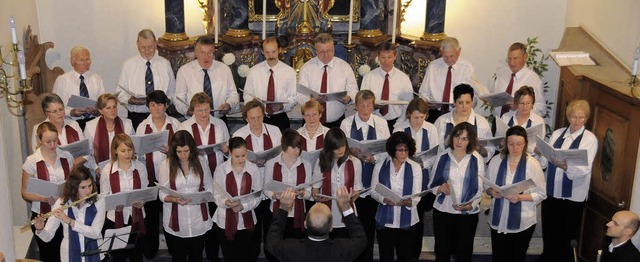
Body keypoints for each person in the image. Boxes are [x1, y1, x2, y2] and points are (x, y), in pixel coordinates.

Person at [538, 100, 598, 262]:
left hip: (572, 196)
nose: (577, 121)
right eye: (573, 117)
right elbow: (545, 163)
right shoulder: (558, 134)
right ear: (568, 116)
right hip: (552, 191)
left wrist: (565, 167)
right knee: (549, 231)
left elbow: (585, 168)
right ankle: (548, 257)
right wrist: (542, 154)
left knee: (566, 236)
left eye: (581, 118)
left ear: (586, 118)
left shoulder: (589, 139)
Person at [340, 89, 390, 262]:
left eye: (369, 105)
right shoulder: (346, 124)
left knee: (368, 226)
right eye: (362, 105)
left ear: (373, 105)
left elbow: (387, 150)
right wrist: (352, 153)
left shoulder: (381, 123)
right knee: (352, 225)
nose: (365, 108)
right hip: (351, 181)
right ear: (355, 106)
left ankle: (366, 257)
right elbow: (340, 150)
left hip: (372, 179)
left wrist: (373, 157)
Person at [178, 92, 228, 262]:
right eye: (199, 110)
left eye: (206, 109)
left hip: (217, 176)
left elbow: (228, 151)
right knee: (199, 218)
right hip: (194, 180)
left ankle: (213, 255)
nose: (204, 114)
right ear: (192, 110)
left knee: (214, 218)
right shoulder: (184, 127)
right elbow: (179, 154)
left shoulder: (220, 124)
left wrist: (225, 150)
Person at [485, 126, 546, 262]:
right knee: (499, 256)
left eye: (519, 144)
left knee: (516, 257)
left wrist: (520, 197)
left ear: (525, 144)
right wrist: (492, 192)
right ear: (506, 143)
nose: (515, 148)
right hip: (498, 218)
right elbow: (486, 186)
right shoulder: (496, 161)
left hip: (523, 221)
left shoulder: (532, 164)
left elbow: (541, 194)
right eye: (511, 144)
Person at [232, 99, 282, 261]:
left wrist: (268, 160)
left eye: (259, 117)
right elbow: (233, 161)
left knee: (271, 226)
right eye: (252, 118)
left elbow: (281, 156)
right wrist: (250, 161)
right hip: (249, 186)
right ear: (246, 118)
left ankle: (271, 255)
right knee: (251, 227)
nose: (256, 121)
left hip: (270, 184)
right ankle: (251, 256)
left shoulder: (274, 131)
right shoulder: (239, 135)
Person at [428, 122, 484, 262]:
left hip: (467, 214)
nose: (459, 141)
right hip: (443, 211)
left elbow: (480, 187)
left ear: (470, 141)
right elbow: (431, 185)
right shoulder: (442, 156)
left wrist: (471, 205)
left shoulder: (476, 158)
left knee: (463, 254)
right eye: (457, 136)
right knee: (442, 252)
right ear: (452, 137)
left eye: (464, 138)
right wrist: (440, 188)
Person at [392, 97, 441, 257]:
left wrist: (422, 164)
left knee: (418, 217)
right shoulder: (400, 128)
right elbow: (392, 152)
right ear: (408, 115)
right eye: (415, 117)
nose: (418, 121)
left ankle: (414, 254)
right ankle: (402, 252)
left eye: (422, 117)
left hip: (423, 177)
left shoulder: (431, 129)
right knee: (402, 214)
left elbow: (435, 154)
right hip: (402, 177)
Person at [265, 186, 367, 262]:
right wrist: (346, 207)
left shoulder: (291, 249)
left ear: (305, 224)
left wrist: (283, 208)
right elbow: (361, 239)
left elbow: (271, 241)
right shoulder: (341, 249)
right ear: (331, 227)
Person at [135, 90, 180, 259]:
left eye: (160, 104)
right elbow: (137, 154)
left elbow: (184, 150)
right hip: (149, 177)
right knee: (151, 217)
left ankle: (175, 249)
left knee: (170, 215)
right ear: (148, 107)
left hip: (171, 178)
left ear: (166, 105)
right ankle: (150, 251)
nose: (157, 108)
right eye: (153, 105)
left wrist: (172, 151)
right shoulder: (142, 126)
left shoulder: (175, 124)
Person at [22, 122, 75, 262]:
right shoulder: (32, 161)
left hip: (63, 211)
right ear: (39, 140)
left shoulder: (66, 156)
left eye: (55, 140)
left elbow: (72, 183)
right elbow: (24, 193)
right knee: (48, 254)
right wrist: (45, 199)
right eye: (48, 141)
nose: (52, 145)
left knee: (65, 252)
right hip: (42, 213)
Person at [158, 130, 214, 262]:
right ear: (173, 150)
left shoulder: (201, 162)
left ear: (192, 149)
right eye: (179, 152)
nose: (183, 155)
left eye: (186, 151)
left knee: (197, 256)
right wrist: (173, 199)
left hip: (198, 218)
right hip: (177, 219)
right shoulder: (165, 165)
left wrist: (205, 196)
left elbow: (210, 186)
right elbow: (162, 193)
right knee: (178, 257)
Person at [34, 165, 105, 262]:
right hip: (69, 256)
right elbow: (47, 237)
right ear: (74, 187)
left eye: (90, 185)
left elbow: (95, 233)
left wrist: (70, 221)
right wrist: (40, 228)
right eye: (83, 187)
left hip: (95, 254)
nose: (88, 191)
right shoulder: (61, 203)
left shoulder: (99, 200)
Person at [370, 132, 422, 262]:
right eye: (400, 150)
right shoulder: (380, 166)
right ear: (393, 150)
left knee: (405, 257)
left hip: (408, 221)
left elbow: (417, 193)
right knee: (385, 256)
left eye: (406, 150)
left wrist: (410, 202)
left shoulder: (415, 167)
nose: (404, 153)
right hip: (386, 220)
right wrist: (383, 199)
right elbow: (373, 191)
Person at [212, 137, 263, 262]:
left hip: (246, 219)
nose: (241, 160)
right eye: (237, 156)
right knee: (229, 255)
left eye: (243, 155)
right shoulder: (221, 169)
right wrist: (226, 202)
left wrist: (243, 206)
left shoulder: (253, 169)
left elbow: (258, 195)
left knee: (245, 255)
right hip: (224, 219)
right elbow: (216, 194)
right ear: (230, 153)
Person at [100, 133, 148, 262]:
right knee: (117, 256)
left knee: (136, 254)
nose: (127, 154)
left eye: (130, 150)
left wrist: (142, 202)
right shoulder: (107, 170)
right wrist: (113, 205)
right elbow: (104, 196)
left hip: (136, 216)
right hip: (115, 218)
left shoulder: (140, 167)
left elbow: (144, 191)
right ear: (115, 151)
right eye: (123, 151)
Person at [117, 29, 176, 131]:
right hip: (137, 116)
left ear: (156, 44)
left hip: (161, 116)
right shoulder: (128, 65)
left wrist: (165, 101)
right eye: (143, 48)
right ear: (137, 45)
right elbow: (120, 92)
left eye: (150, 47)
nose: (147, 51)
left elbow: (172, 90)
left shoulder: (164, 64)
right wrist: (131, 100)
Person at [298, 33, 358, 128]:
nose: (326, 55)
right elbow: (300, 94)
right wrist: (310, 100)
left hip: (336, 122)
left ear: (333, 49)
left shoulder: (344, 67)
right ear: (316, 51)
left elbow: (354, 91)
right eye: (322, 52)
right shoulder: (307, 68)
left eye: (329, 51)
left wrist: (348, 98)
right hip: (311, 121)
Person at [311, 128, 363, 237]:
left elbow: (357, 189)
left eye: (343, 146)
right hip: (325, 213)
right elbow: (315, 189)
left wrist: (353, 197)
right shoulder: (321, 161)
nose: (341, 150)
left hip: (347, 212)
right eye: (336, 147)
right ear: (330, 147)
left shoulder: (355, 162)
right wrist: (317, 197)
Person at [174, 36, 239, 122]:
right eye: (202, 53)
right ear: (196, 53)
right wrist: (188, 111)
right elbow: (179, 99)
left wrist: (229, 104)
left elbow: (233, 95)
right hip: (193, 120)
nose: (206, 57)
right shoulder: (184, 71)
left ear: (214, 52)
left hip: (218, 120)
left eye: (210, 53)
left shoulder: (224, 69)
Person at [264, 129, 313, 239]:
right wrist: (273, 195)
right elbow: (266, 188)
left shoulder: (306, 164)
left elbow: (309, 193)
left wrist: (302, 193)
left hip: (298, 211)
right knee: (277, 244)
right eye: (293, 147)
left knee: (296, 245)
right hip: (278, 210)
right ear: (284, 147)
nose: (297, 151)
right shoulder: (272, 163)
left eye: (299, 147)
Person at [243, 36, 297, 131]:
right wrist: (252, 101)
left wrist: (282, 106)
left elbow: (293, 97)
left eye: (273, 51)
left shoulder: (289, 72)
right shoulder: (254, 71)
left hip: (280, 118)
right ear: (262, 52)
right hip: (259, 117)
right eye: (267, 52)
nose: (271, 56)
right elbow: (246, 94)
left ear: (279, 50)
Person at [419, 37, 476, 122]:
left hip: (457, 113)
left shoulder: (467, 68)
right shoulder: (433, 66)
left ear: (459, 51)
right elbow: (423, 92)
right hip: (435, 113)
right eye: (445, 56)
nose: (449, 60)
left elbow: (472, 95)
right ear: (441, 52)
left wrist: (460, 103)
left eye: (452, 56)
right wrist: (428, 103)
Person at [360, 42, 413, 131]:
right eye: (383, 57)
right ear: (378, 57)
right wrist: (373, 106)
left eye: (389, 57)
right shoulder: (369, 77)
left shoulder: (403, 79)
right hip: (373, 121)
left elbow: (408, 105)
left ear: (395, 57)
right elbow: (362, 101)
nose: (386, 61)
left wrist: (398, 124)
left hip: (396, 122)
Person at [434, 84, 493, 162]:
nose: (464, 106)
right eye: (460, 103)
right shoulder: (441, 121)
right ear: (454, 103)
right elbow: (434, 150)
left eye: (467, 102)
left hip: (472, 169)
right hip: (445, 168)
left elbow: (490, 149)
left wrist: (482, 151)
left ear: (472, 102)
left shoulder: (481, 122)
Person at [52, 45, 105, 130]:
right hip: (71, 124)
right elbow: (53, 106)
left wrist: (98, 111)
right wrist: (71, 112)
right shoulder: (62, 80)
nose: (86, 62)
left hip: (93, 123)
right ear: (72, 61)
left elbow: (103, 102)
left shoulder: (96, 78)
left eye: (88, 59)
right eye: (82, 60)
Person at [31, 93, 87, 167]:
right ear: (47, 114)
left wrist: (72, 166)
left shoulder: (74, 124)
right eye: (54, 111)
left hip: (77, 170)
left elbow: (85, 153)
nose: (60, 113)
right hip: (54, 173)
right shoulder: (38, 129)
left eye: (61, 109)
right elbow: (38, 156)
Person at [84, 93, 134, 174]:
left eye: (114, 107)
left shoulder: (127, 123)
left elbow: (133, 148)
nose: (113, 110)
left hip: (125, 169)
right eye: (108, 108)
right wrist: (96, 168)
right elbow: (87, 153)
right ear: (100, 111)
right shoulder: (90, 126)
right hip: (100, 171)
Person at [492, 42, 545, 117]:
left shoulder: (534, 80)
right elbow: (494, 95)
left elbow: (541, 109)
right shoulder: (501, 74)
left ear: (525, 57)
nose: (512, 63)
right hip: (499, 121)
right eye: (509, 59)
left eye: (515, 58)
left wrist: (519, 107)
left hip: (519, 125)